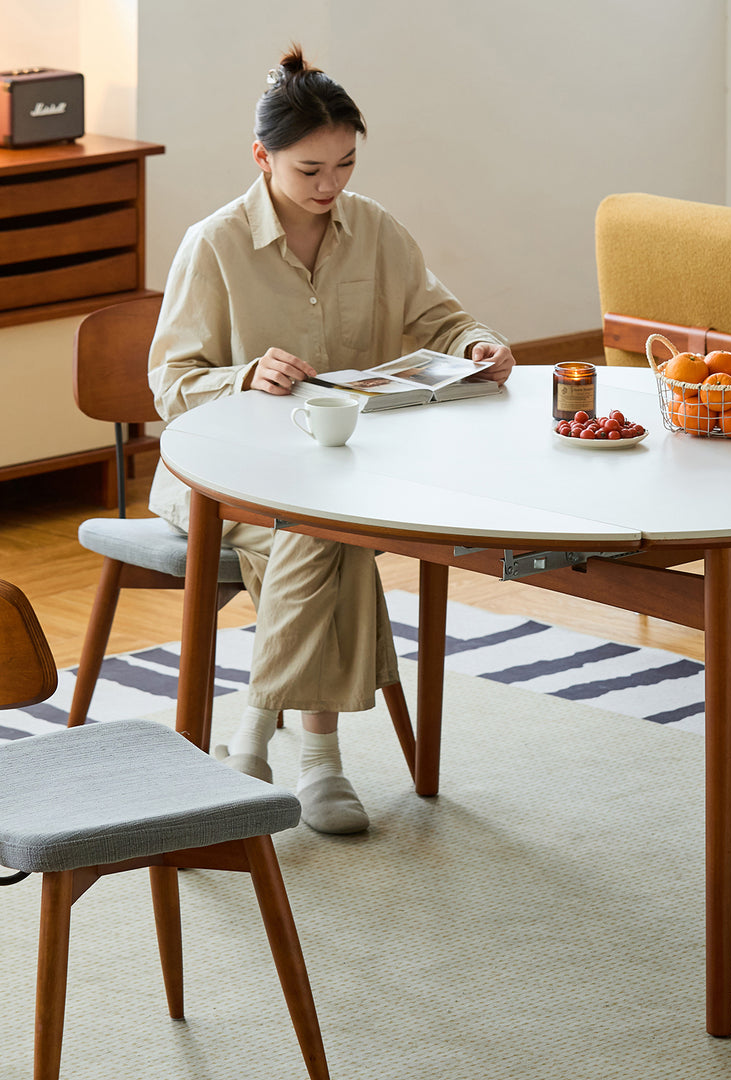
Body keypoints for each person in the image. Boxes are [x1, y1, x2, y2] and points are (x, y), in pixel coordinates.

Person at [147, 46, 515, 834]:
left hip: (344, 470)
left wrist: (480, 344)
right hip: (223, 480)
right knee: (323, 530)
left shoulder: (375, 230)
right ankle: (320, 761)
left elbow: (441, 320)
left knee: (324, 521)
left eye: (345, 165)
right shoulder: (212, 245)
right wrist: (244, 375)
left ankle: (252, 732)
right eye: (310, 170)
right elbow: (171, 382)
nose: (330, 186)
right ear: (262, 157)